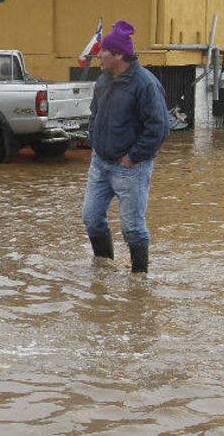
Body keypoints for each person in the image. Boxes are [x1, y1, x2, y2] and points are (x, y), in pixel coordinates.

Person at [83, 20, 169, 273]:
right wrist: (94, 142)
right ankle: (104, 266)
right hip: (100, 163)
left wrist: (133, 157)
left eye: (104, 51)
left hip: (130, 168)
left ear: (118, 55)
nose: (98, 55)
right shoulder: (104, 80)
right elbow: (94, 113)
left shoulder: (146, 85)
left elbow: (159, 128)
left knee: (132, 227)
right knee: (91, 218)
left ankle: (139, 279)